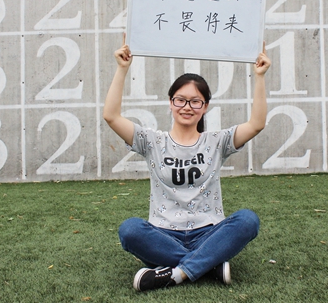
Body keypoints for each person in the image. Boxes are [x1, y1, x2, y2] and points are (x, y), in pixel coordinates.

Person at [103, 35, 271, 292]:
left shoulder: (217, 141)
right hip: (163, 234)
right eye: (180, 100)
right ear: (171, 103)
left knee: (247, 220)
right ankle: (209, 264)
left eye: (195, 101)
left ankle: (177, 273)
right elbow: (111, 116)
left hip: (209, 232)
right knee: (130, 230)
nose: (187, 107)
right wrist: (122, 68)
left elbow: (256, 124)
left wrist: (259, 77)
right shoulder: (152, 141)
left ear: (205, 107)